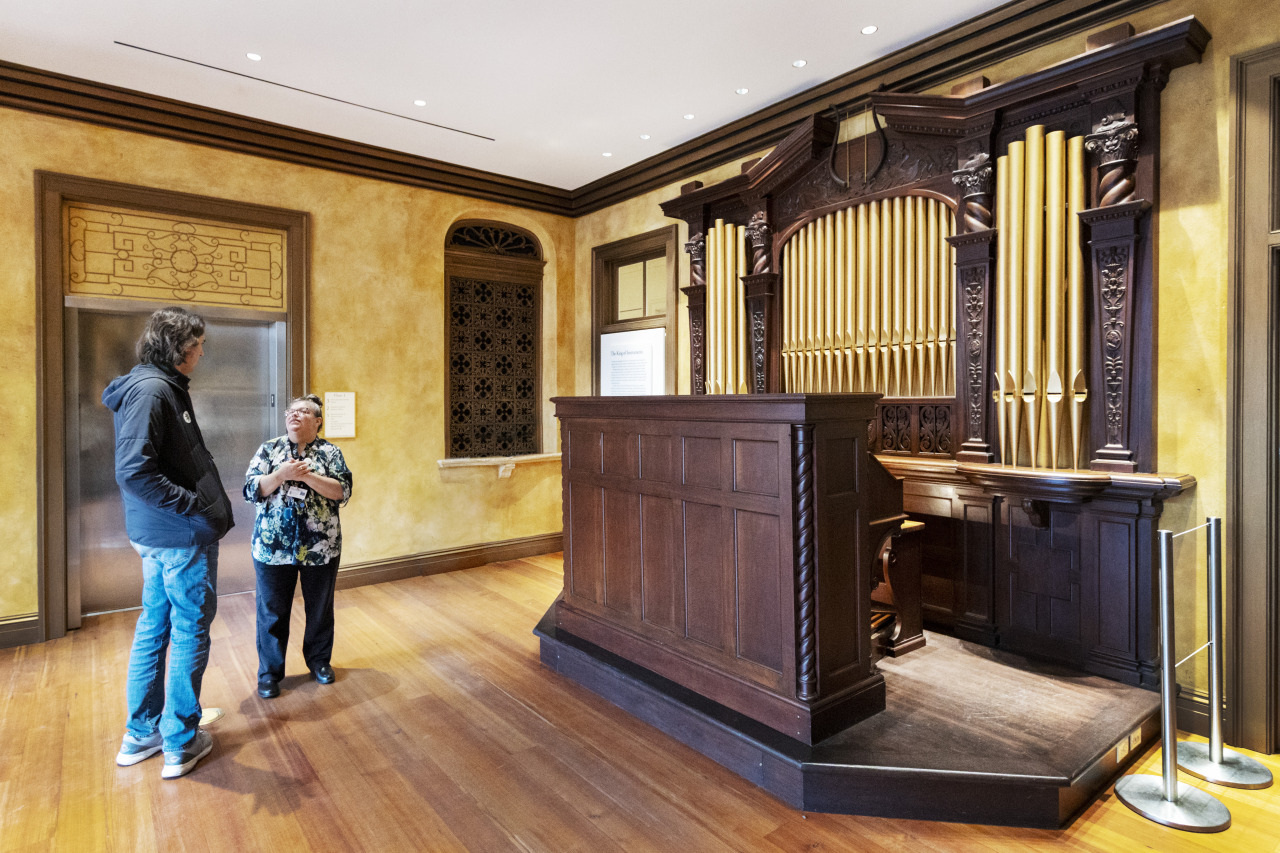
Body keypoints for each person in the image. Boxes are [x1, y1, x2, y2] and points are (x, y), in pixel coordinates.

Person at [102, 306, 234, 779]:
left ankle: (143, 733)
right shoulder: (154, 390)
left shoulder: (158, 386)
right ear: (178, 348)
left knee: (156, 626)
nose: (201, 352)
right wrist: (193, 506)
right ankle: (179, 739)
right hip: (179, 537)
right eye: (198, 344)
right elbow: (134, 471)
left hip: (163, 535)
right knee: (188, 630)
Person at [244, 394, 352, 699]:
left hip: (320, 547)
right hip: (272, 547)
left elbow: (342, 491)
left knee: (320, 608)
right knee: (271, 612)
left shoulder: (330, 452)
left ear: (317, 421)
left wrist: (307, 476)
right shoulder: (269, 449)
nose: (294, 415)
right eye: (291, 411)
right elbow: (250, 490)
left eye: (303, 411)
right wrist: (282, 475)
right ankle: (269, 674)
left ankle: (319, 662)